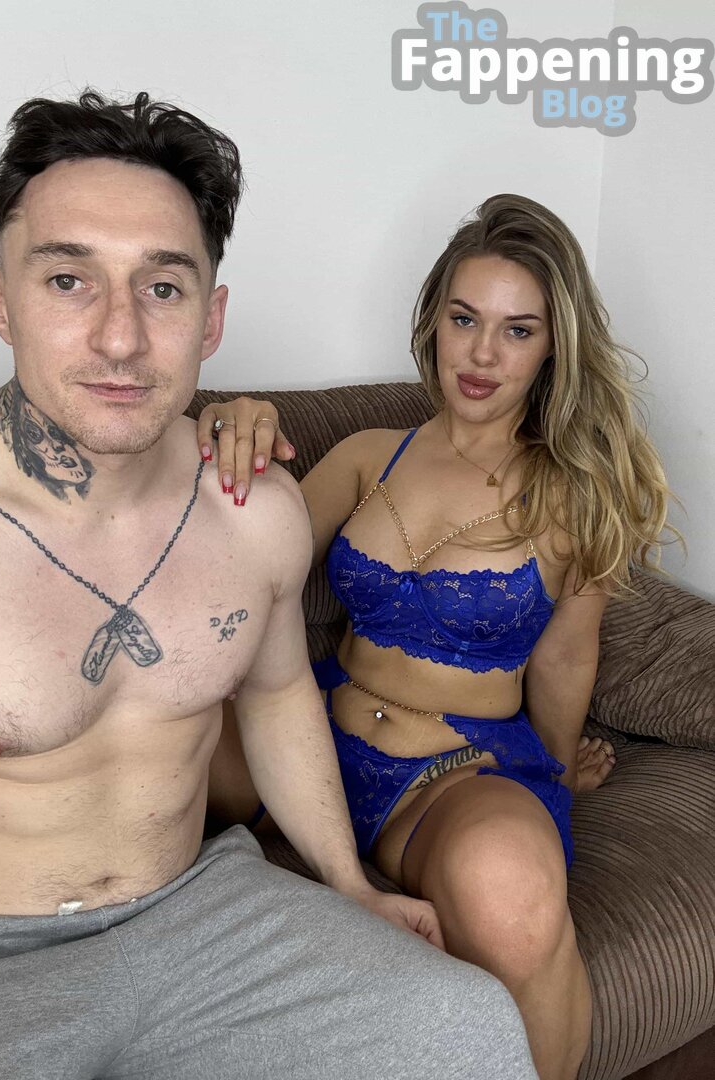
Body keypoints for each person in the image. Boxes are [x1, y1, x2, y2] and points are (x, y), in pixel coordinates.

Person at [0, 92, 539, 1080]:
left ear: (211, 317)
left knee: (464, 1025)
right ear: (1, 300)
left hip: (196, 912)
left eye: (162, 288)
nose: (121, 338)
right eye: (69, 279)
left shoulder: (251, 507)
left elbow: (280, 696)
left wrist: (349, 884)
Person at [197, 193, 674, 1080]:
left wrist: (555, 771)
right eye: (465, 318)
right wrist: (230, 425)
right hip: (310, 736)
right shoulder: (367, 455)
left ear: (554, 347)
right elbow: (235, 562)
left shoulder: (574, 496)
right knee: (143, 737)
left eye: (518, 330)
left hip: (450, 774)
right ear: (434, 322)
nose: (483, 354)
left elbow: (567, 655)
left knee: (513, 896)